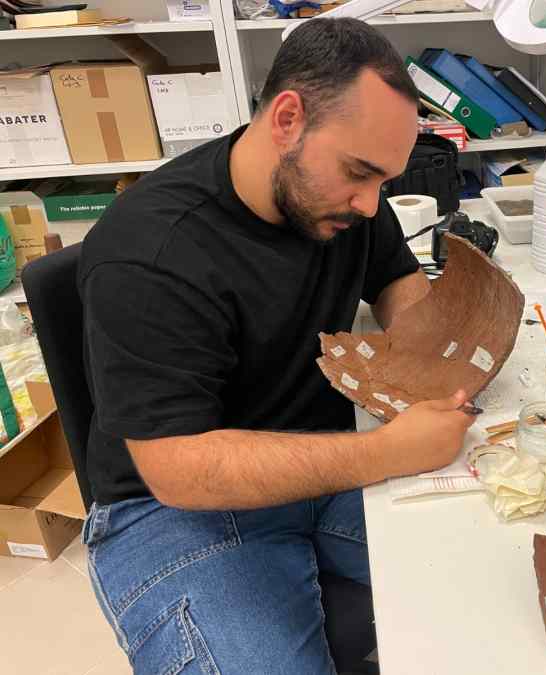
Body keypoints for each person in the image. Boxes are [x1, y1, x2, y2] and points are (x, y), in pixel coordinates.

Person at [78, 17, 475, 674]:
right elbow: (177, 468)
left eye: (383, 181)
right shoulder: (150, 252)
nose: (371, 204)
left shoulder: (341, 198)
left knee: (490, 575)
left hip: (323, 462)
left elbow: (395, 280)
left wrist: (427, 354)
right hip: (173, 506)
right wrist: (388, 450)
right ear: (288, 119)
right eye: (361, 173)